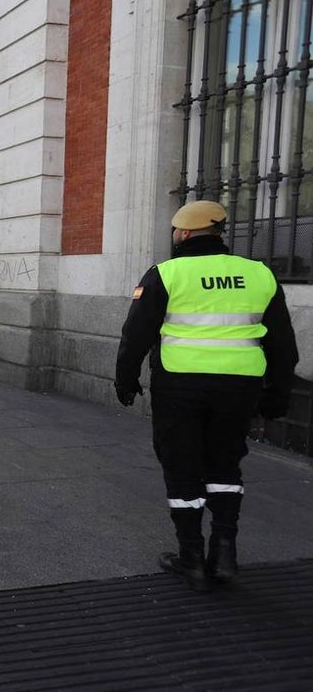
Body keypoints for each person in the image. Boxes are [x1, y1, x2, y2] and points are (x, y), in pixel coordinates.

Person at [115, 199, 298, 592]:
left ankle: (192, 559)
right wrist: (278, 394)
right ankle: (225, 551)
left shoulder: (166, 273)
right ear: (220, 231)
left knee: (181, 466)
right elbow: (283, 343)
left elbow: (136, 336)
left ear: (182, 233)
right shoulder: (259, 274)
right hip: (240, 386)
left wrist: (126, 380)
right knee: (225, 465)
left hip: (180, 385)